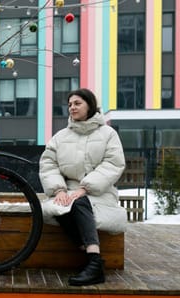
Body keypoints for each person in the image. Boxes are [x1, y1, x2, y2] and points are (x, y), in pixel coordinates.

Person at [39, 88, 127, 286]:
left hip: (100, 191)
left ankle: (94, 263)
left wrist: (85, 188)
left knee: (78, 202)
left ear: (90, 105)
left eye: (77, 103)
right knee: (57, 207)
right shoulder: (60, 137)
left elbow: (113, 164)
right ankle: (93, 259)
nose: (72, 108)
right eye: (70, 104)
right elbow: (48, 165)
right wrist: (59, 190)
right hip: (67, 189)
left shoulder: (108, 134)